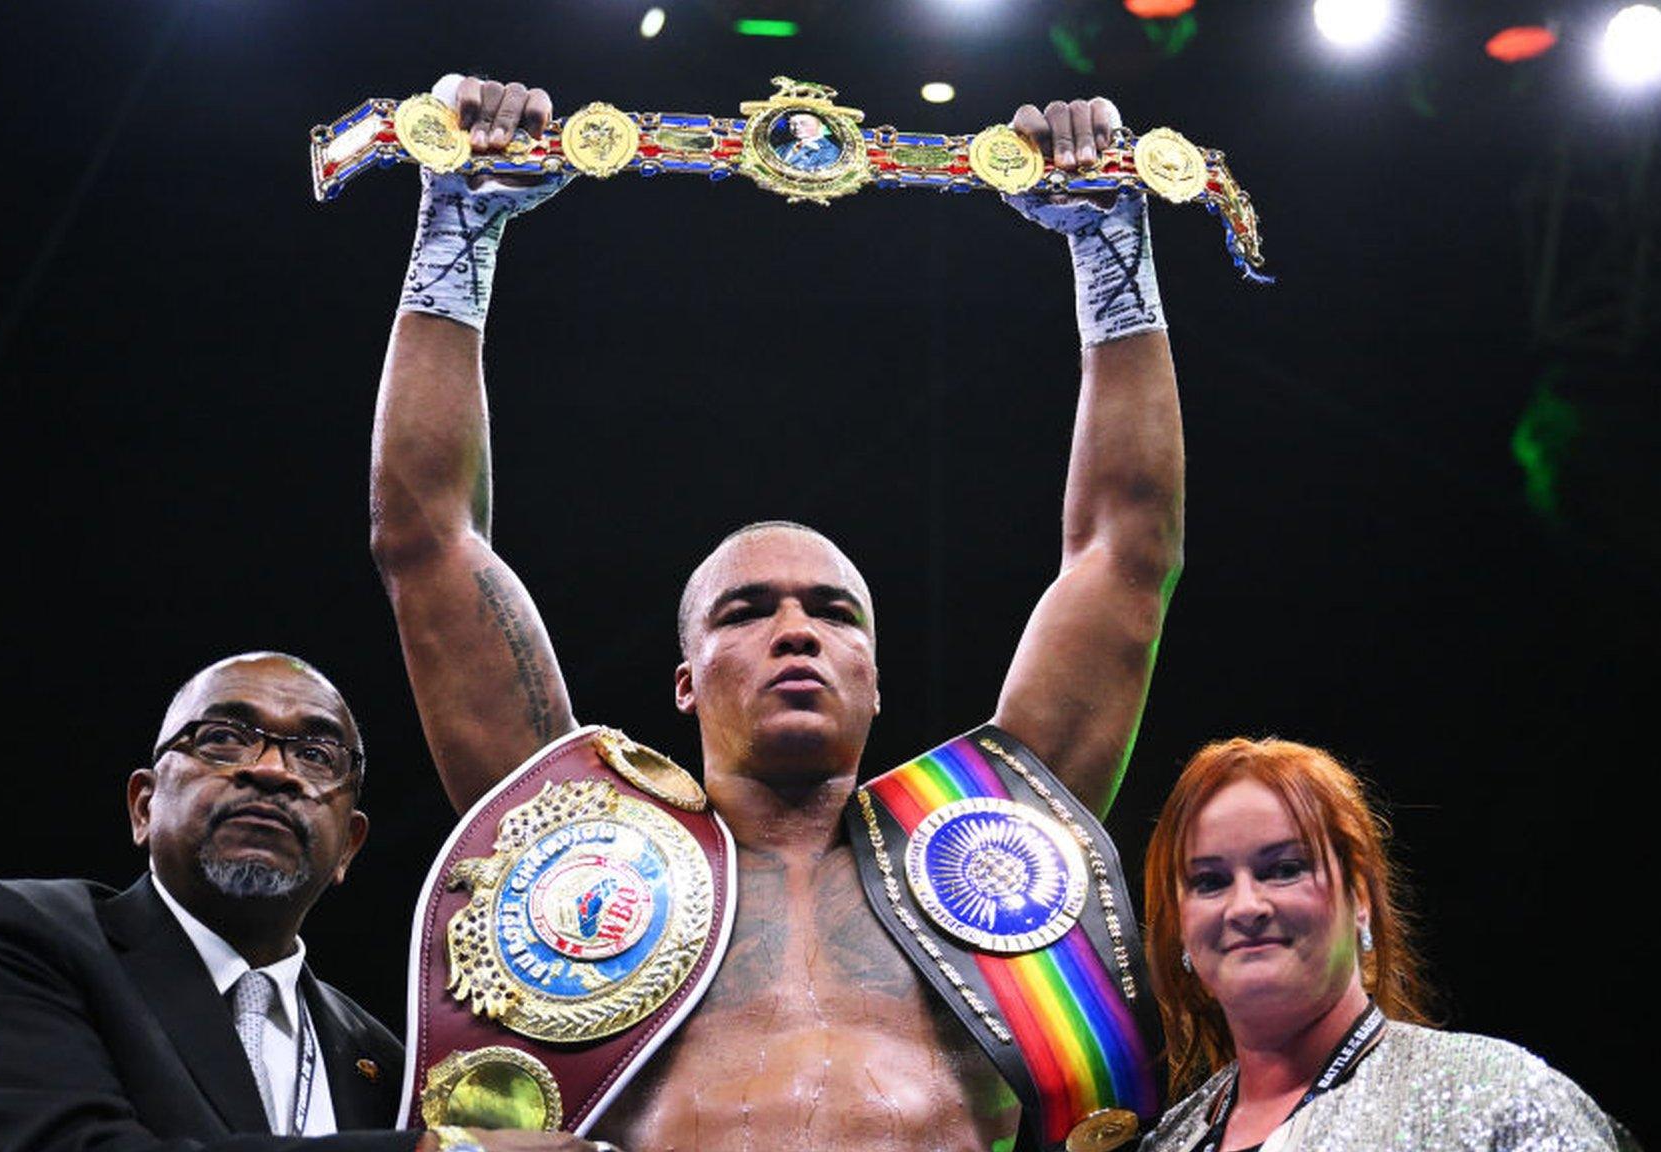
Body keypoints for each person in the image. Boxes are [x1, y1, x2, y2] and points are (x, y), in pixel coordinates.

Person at [373, 75, 1183, 1151]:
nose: (795, 629)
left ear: (876, 675)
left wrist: (1109, 245)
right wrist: (457, 222)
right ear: (683, 679)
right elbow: (426, 541)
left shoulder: (1002, 850)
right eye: (745, 611)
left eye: (834, 613)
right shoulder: (568, 855)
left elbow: (1125, 556)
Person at [0, 651, 607, 1152]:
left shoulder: (382, 1061)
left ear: (349, 847)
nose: (271, 772)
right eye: (224, 738)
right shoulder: (10, 939)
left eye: (316, 756)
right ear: (142, 806)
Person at [1136, 737, 1629, 1151]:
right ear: (1180, 926)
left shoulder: (1496, 1097)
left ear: (1362, 899)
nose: (1245, 906)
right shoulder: (1168, 1141)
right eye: (1209, 881)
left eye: (1284, 869)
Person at [775, 110, 842, 170]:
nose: (797, 127)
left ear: (820, 123)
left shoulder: (830, 151)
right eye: (792, 124)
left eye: (803, 123)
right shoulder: (782, 148)